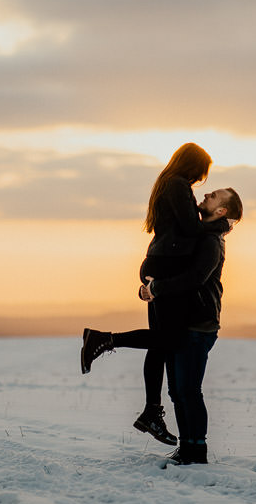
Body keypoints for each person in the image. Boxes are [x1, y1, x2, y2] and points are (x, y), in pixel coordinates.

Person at [81, 143, 229, 446]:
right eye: (202, 173)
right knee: (168, 341)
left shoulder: (169, 183)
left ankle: (151, 411)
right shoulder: (176, 184)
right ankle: (105, 339)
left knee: (160, 343)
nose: (201, 181)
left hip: (160, 265)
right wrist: (219, 225)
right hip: (165, 267)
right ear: (193, 166)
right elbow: (189, 228)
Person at [140, 187, 243, 464]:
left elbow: (196, 277)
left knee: (189, 391)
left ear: (221, 211)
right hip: (184, 321)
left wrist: (157, 287)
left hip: (200, 324)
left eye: (215, 195)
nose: (208, 193)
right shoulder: (199, 234)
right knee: (177, 391)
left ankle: (196, 451)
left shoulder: (212, 240)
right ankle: (187, 448)